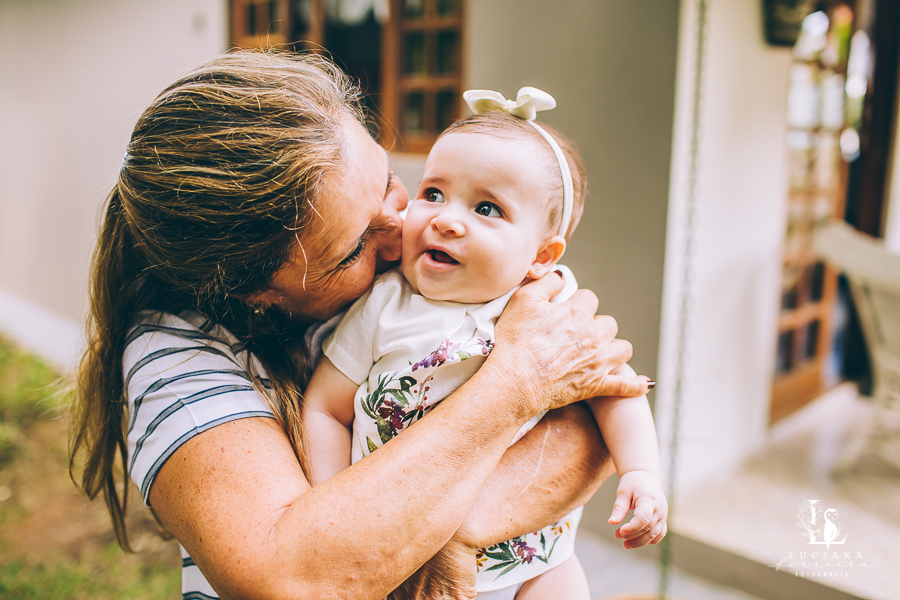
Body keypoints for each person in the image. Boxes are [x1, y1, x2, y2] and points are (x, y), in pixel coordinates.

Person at [68, 51, 655, 600]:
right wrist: (520, 381)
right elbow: (297, 577)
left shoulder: (486, 286)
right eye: (353, 248)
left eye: (389, 184)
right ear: (257, 294)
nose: (409, 228)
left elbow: (592, 414)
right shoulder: (175, 358)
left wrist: (439, 526)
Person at [302, 88, 667, 600]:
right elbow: (325, 407)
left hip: (535, 559)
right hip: (400, 558)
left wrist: (643, 472)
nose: (446, 219)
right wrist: (332, 506)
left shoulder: (551, 304)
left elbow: (615, 388)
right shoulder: (385, 305)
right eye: (433, 193)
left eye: (487, 207)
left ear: (541, 255)